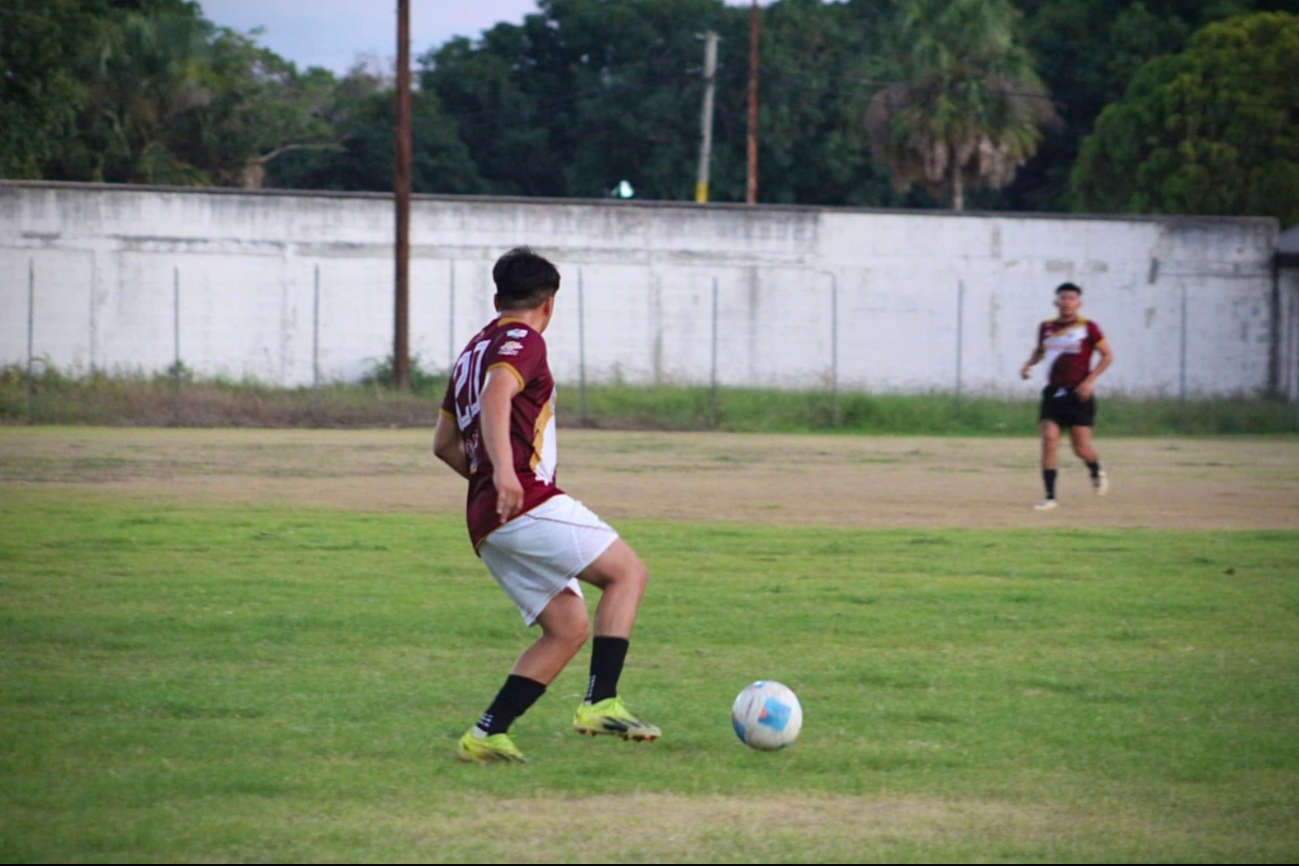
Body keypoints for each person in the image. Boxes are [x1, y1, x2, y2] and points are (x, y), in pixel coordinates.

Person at [433, 246, 660, 764]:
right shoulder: (526, 340)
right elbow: (497, 396)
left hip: (486, 521)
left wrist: (490, 480)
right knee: (629, 573)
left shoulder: (472, 350)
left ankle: (487, 732)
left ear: (497, 298)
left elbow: (443, 445)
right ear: (550, 304)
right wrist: (509, 476)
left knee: (568, 628)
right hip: (527, 502)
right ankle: (601, 701)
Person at [1019, 282, 1114, 511]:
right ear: (1056, 301)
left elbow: (1107, 356)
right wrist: (1028, 365)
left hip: (1078, 395)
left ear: (1078, 303)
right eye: (1063, 298)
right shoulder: (1046, 327)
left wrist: (1089, 382)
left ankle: (1095, 468)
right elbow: (1040, 350)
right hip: (1053, 393)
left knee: (1080, 448)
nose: (1066, 302)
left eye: (1071, 298)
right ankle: (1050, 497)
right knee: (1049, 440)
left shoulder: (1089, 328)